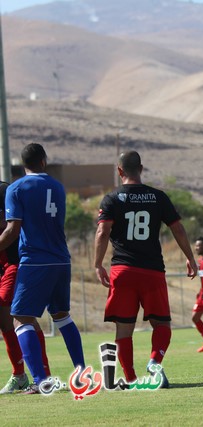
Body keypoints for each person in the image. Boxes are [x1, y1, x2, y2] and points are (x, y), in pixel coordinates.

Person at [94, 151, 198, 388]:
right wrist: (190, 257)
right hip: (152, 271)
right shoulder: (158, 197)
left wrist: (98, 264)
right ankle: (154, 362)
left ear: (120, 171)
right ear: (141, 168)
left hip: (123, 271)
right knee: (162, 324)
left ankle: (130, 378)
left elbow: (103, 232)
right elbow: (178, 229)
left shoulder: (112, 199)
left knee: (124, 328)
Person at [0, 143, 85, 394]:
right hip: (61, 258)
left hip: (35, 261)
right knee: (62, 315)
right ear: (44, 161)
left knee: (21, 319)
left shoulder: (16, 188)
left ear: (23, 164)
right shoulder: (58, 186)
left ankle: (40, 380)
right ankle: (81, 372)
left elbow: (12, 230)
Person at [0, 181, 52, 394]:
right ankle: (21, 375)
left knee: (17, 314)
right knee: (9, 320)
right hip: (3, 264)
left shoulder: (5, 190)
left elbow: (8, 226)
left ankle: (41, 376)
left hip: (15, 262)